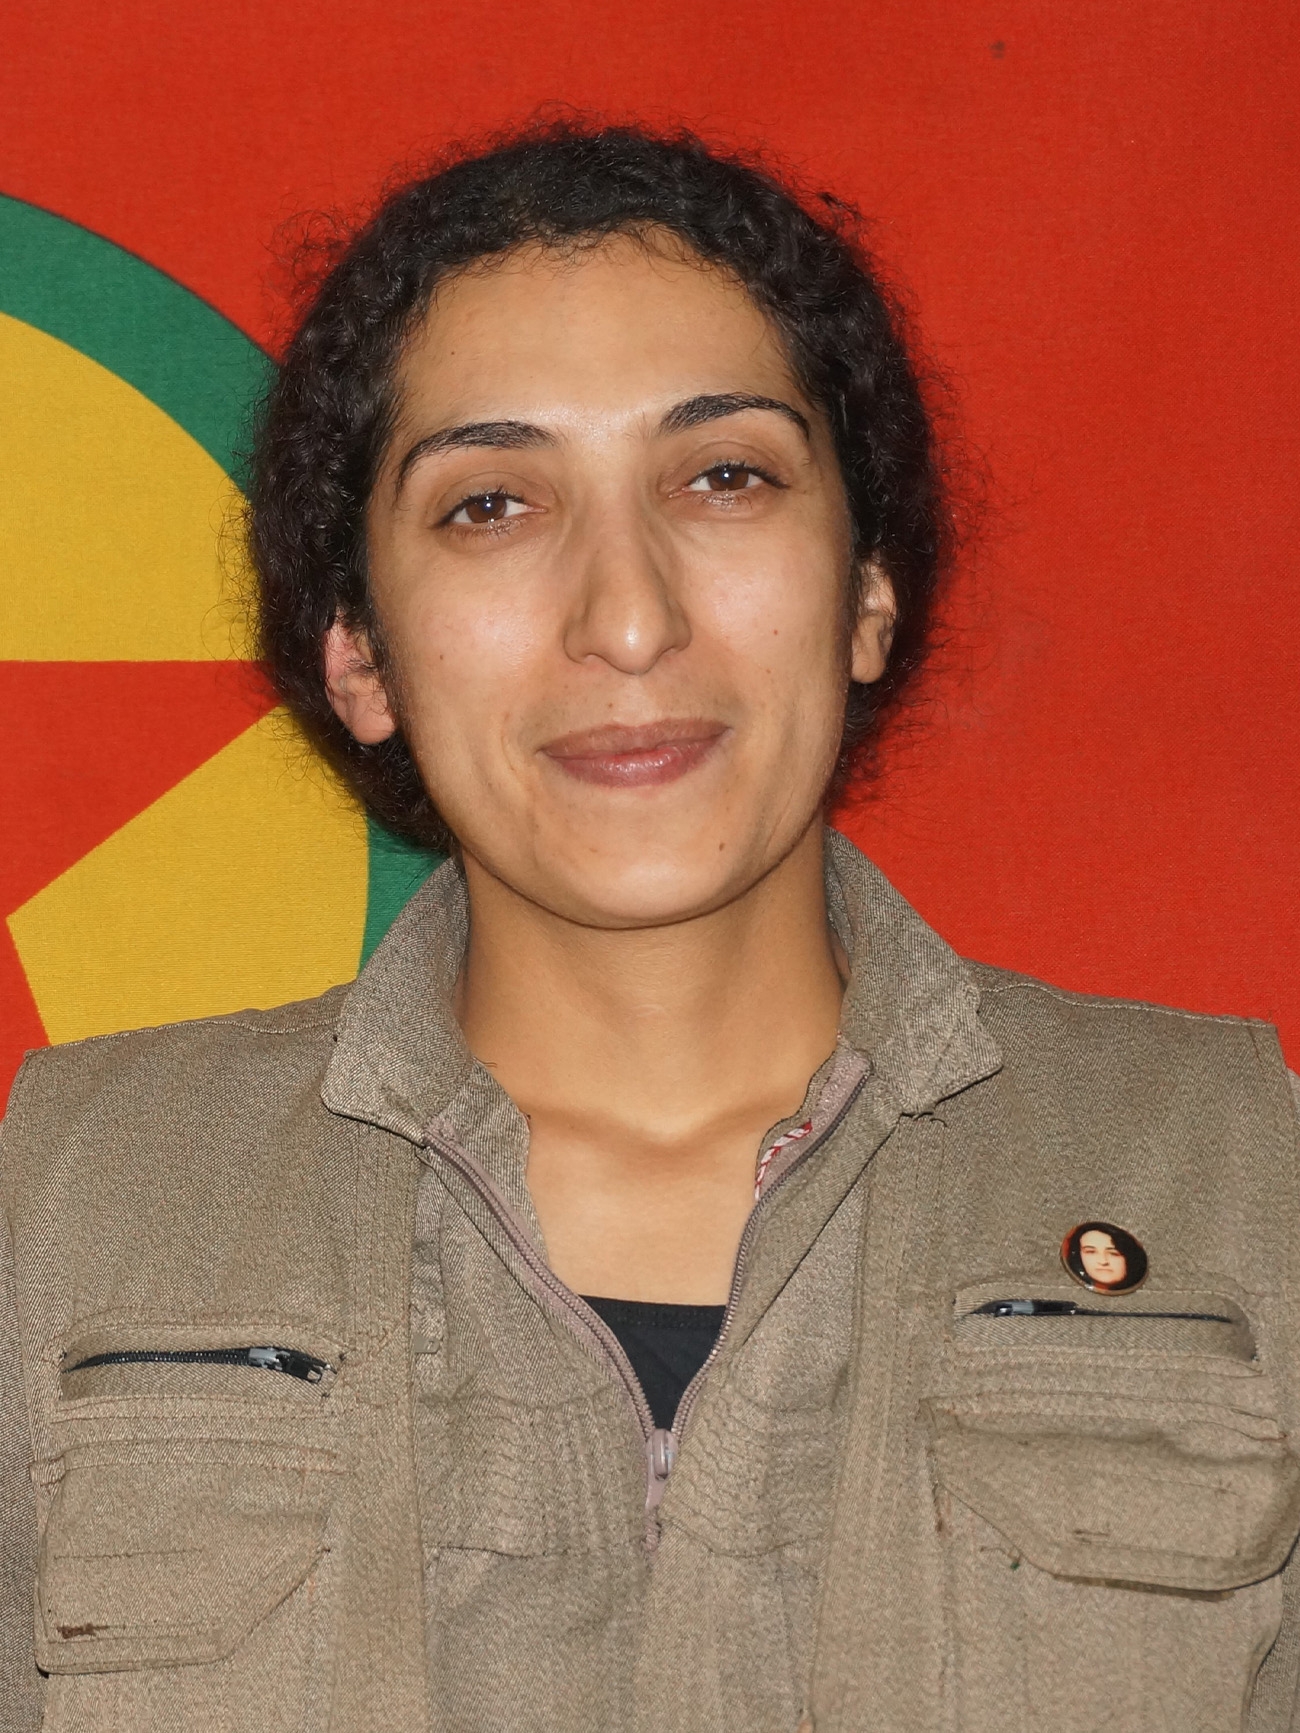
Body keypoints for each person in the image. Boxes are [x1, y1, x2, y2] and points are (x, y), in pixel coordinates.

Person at [2, 122, 1299, 1733]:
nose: (629, 618)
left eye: (725, 476)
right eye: (491, 504)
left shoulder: (1241, 1178)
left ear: (868, 588)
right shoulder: (69, 1208)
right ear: (361, 654)